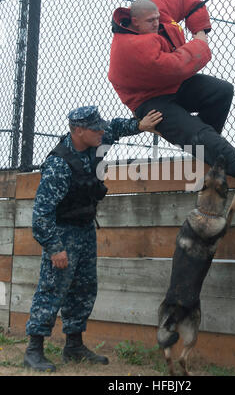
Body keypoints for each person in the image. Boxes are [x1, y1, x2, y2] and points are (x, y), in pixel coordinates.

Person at [24, 105, 162, 372]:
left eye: (100, 127)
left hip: (86, 229)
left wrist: (140, 125)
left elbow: (116, 128)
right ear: (77, 131)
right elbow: (41, 215)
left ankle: (74, 346)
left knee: (84, 288)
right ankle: (34, 349)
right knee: (52, 289)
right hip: (62, 233)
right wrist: (55, 248)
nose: (102, 131)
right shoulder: (59, 165)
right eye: (95, 128)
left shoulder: (96, 138)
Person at [108, 0, 235, 183]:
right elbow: (176, 66)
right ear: (135, 21)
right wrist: (200, 42)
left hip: (174, 85)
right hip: (149, 100)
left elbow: (187, 2)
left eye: (158, 18)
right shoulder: (130, 47)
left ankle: (205, 149)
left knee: (221, 91)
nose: (157, 23)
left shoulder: (156, 6)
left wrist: (200, 29)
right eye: (151, 21)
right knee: (198, 133)